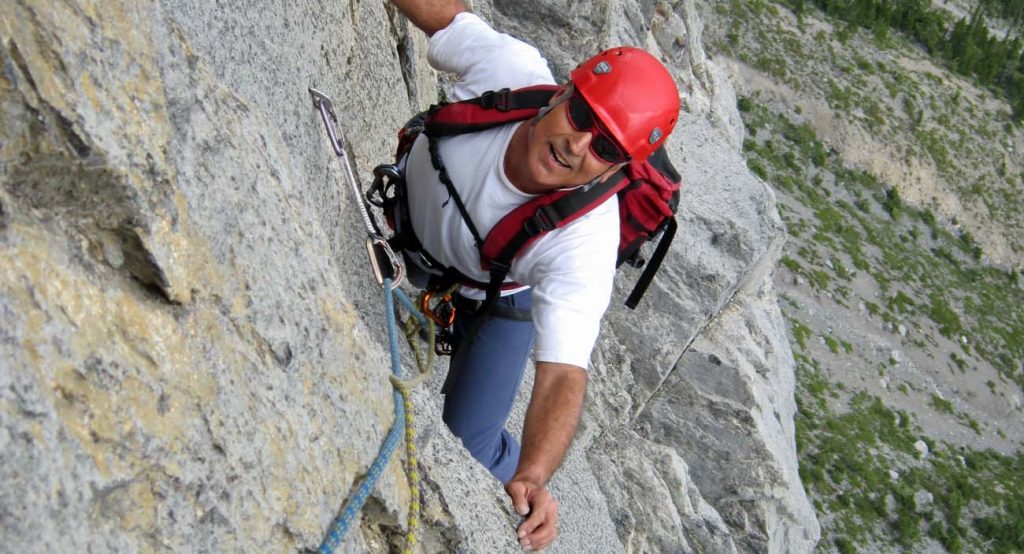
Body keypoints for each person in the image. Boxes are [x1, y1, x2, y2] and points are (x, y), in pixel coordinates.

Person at [390, 1, 680, 550]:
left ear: (617, 170)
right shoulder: (508, 72)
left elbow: (563, 375)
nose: (577, 145)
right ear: (562, 94)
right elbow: (448, 20)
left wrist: (534, 474)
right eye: (581, 118)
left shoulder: (584, 239)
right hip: (414, 230)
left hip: (497, 293)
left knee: (470, 441)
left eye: (604, 148)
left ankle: (517, 478)